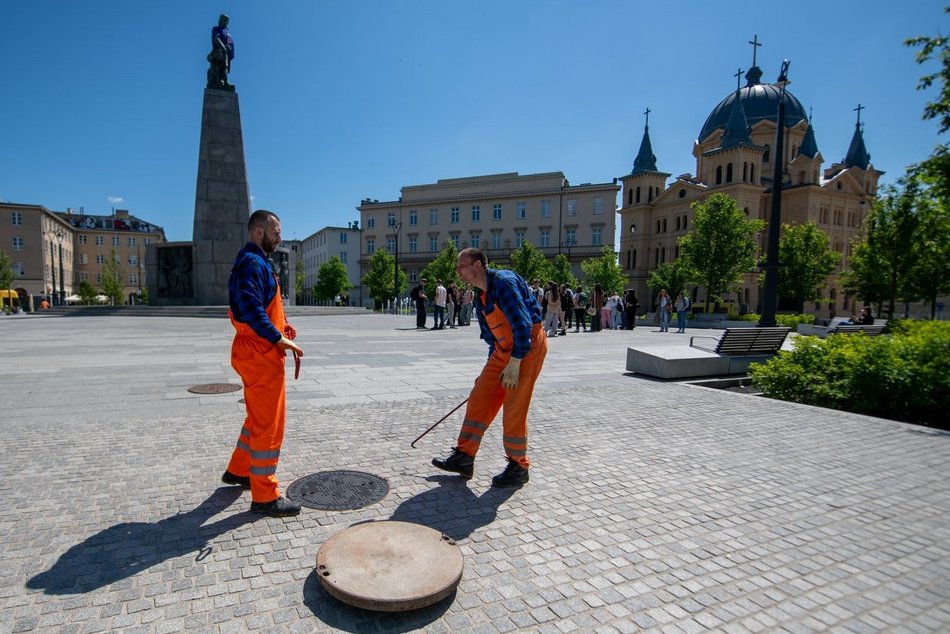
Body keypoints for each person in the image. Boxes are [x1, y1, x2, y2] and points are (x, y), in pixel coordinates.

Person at [432, 248, 547, 487]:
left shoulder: (503, 283)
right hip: (503, 350)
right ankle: (464, 457)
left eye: (461, 265)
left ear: (477, 265)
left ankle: (519, 466)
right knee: (479, 396)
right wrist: (490, 372)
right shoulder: (481, 297)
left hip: (527, 348)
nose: (457, 270)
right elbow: (493, 339)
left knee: (514, 406)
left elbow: (523, 325)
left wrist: (515, 363)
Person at [221, 209, 304, 517]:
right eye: (275, 230)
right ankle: (265, 495)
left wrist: (282, 329)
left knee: (257, 418)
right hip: (260, 354)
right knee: (269, 425)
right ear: (259, 231)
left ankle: (239, 469)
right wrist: (275, 337)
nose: (279, 235)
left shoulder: (254, 262)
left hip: (254, 350)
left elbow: (261, 307)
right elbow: (249, 306)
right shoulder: (253, 263)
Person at [207, 14, 235, 90]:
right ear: (221, 20)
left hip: (225, 53)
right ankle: (216, 80)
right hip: (217, 52)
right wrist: (223, 47)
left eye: (227, 21)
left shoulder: (227, 33)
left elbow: (229, 43)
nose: (226, 22)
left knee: (225, 67)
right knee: (217, 66)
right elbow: (216, 38)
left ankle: (226, 82)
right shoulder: (216, 29)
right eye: (224, 20)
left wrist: (228, 48)